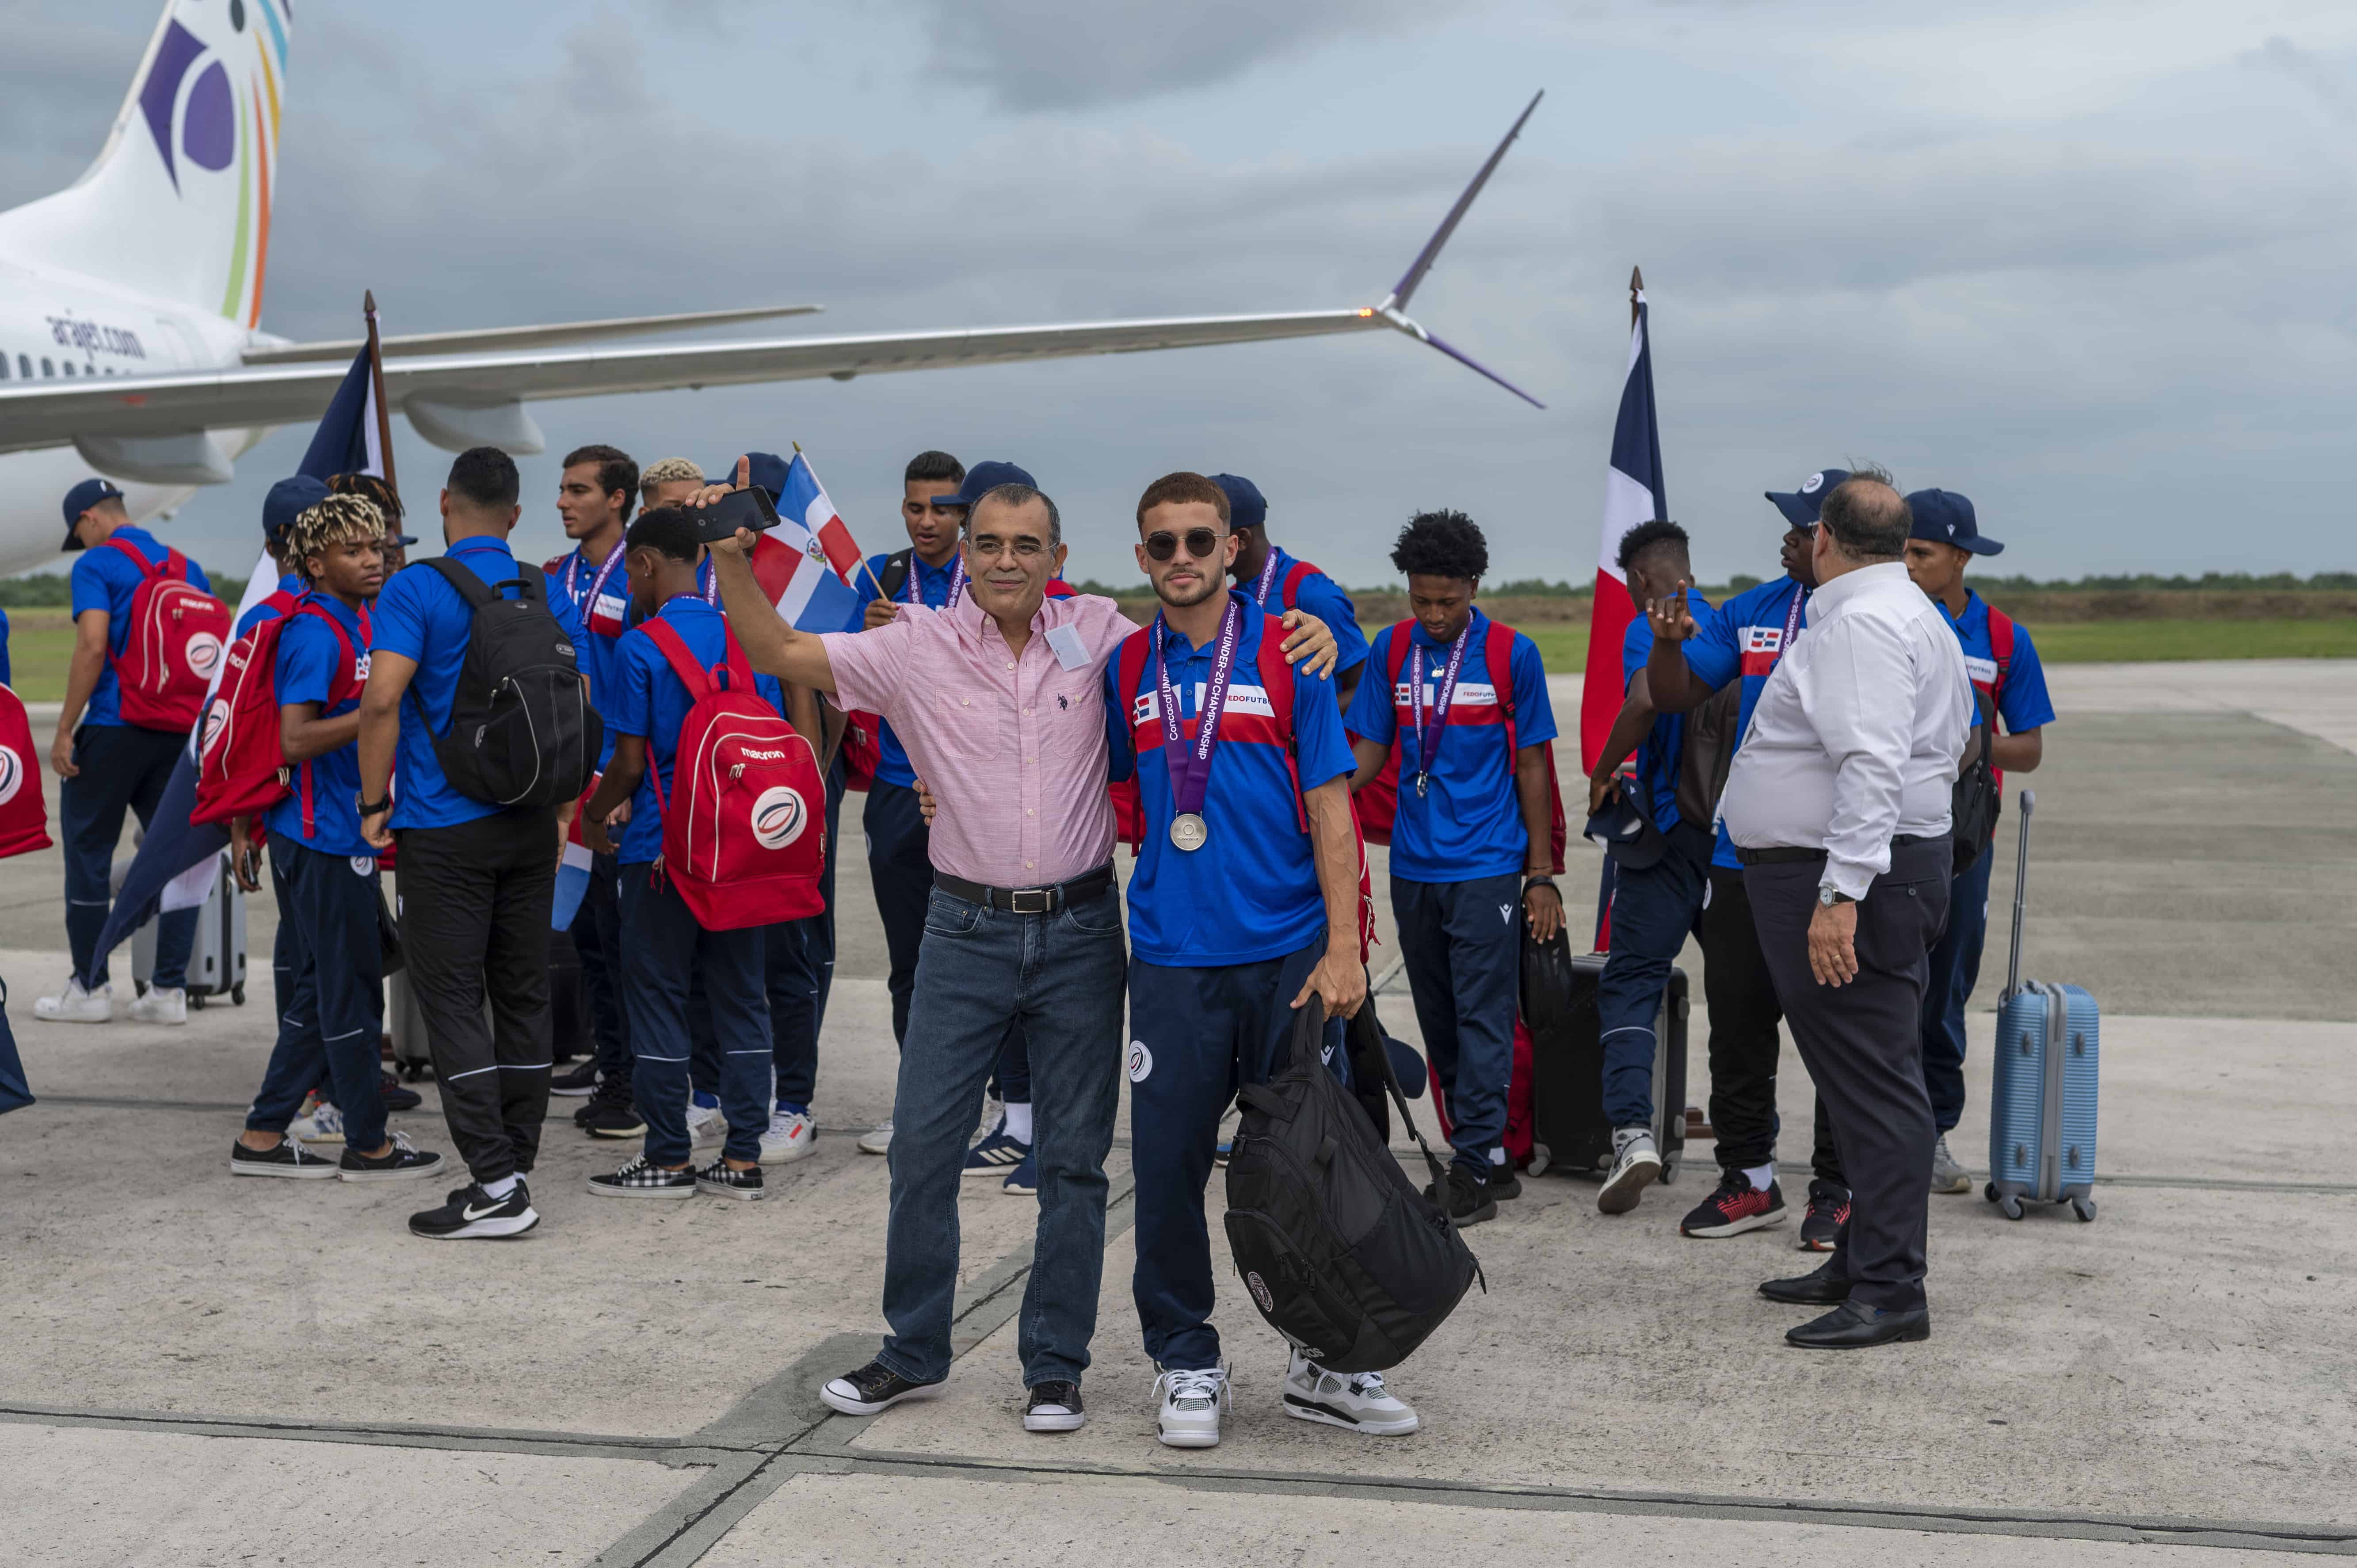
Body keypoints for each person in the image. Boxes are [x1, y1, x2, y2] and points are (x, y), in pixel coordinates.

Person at [692, 463, 1337, 1437]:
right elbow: (777, 645)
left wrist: (1325, 629)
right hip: (963, 929)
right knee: (921, 1148)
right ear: (960, 543)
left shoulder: (1101, 637)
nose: (1004, 559)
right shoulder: (909, 645)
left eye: (1025, 545)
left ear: (1057, 559)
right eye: (987, 540)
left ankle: (1055, 1368)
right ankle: (912, 1350)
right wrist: (728, 561)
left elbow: (1214, 624)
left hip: (1081, 931)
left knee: (1074, 1164)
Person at [1114, 471, 1407, 1448]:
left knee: (1309, 1171)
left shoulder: (1290, 653)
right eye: (1162, 544)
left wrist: (1342, 949)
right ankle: (1186, 1359)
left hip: (1286, 960)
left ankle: (1323, 1358)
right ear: (1141, 555)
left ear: (1232, 546)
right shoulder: (1125, 668)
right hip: (1170, 961)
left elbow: (1332, 807)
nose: (1182, 559)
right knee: (1165, 1171)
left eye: (1200, 540)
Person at [1691, 468, 1968, 1350]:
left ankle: (1890, 1288)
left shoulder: (1860, 621)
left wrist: (1838, 895)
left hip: (1844, 876)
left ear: (1821, 538)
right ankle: (1860, 1257)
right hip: (1862, 868)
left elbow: (1873, 762)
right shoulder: (1906, 609)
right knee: (1859, 1080)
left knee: (1876, 1085)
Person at [356, 447, 590, 1241]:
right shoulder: (542, 585)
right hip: (530, 819)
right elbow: (574, 700)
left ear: (446, 503)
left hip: (443, 825)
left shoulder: (416, 586)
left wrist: (373, 800)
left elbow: (383, 697)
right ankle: (513, 1165)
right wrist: (561, 812)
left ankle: (493, 1183)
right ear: (516, 514)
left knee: (452, 998)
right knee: (521, 991)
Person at [579, 506, 819, 1201]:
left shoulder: (641, 647)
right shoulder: (744, 639)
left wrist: (596, 818)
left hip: (662, 852)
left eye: (631, 567)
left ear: (649, 563)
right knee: (742, 997)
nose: (630, 579)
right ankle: (743, 1157)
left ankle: (668, 1156)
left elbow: (627, 763)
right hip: (740, 854)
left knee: (656, 999)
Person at [1641, 467, 1852, 1250]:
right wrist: (1668, 648)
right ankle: (1748, 1179)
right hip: (1740, 860)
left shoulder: (1875, 616)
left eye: (1802, 528)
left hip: (1837, 865)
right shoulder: (1753, 610)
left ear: (1833, 536)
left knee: (1836, 1031)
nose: (1788, 539)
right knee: (1736, 1027)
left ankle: (1836, 1188)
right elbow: (1673, 694)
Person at [1343, 508, 1560, 1227]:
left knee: (1483, 1016)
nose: (1434, 614)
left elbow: (1532, 764)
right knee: (1438, 1017)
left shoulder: (1511, 653)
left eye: (1448, 600)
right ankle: (1489, 1159)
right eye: (1421, 599)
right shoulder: (1390, 649)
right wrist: (1313, 792)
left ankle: (1472, 1164)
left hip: (1487, 866)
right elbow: (1370, 751)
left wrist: (1539, 872)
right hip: (1414, 867)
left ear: (1473, 585)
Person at [227, 495, 443, 1184]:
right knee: (348, 993)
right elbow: (295, 737)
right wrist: (379, 711)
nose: (374, 558)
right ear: (316, 563)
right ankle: (368, 1143)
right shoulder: (318, 631)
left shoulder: (358, 618)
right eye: (355, 550)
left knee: (326, 989)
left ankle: (263, 1135)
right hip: (319, 836)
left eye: (377, 546)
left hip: (333, 833)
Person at [851, 453, 1029, 1165]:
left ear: (965, 516)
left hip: (970, 789)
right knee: (910, 963)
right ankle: (918, 1102)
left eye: (942, 509)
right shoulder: (882, 577)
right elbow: (846, 683)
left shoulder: (991, 580)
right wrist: (873, 635)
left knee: (997, 956)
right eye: (914, 507)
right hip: (898, 790)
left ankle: (1009, 1102)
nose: (927, 521)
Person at [1899, 488, 2052, 1191]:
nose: (1906, 562)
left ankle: (1932, 1133)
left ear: (1959, 557)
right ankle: (1878, 1132)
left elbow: (2030, 749)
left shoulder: (2001, 637)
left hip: (1962, 842)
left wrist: (1973, 742)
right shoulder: (1889, 617)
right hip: (1889, 832)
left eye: (1920, 551)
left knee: (1946, 987)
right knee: (1884, 984)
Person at [36, 479, 214, 1027]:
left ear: (89, 518)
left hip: (115, 726)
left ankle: (89, 987)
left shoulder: (98, 566)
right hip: (180, 735)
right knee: (178, 858)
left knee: (88, 855)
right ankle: (168, 991)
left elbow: (92, 644)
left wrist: (66, 728)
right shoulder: (190, 568)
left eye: (79, 534)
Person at [1582, 519, 1715, 1217]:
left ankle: (1634, 1132)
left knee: (1632, 981)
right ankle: (1750, 1155)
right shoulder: (1731, 625)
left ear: (1638, 579)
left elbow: (1643, 702)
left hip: (1666, 840)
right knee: (1741, 998)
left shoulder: (1652, 621)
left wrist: (1604, 769)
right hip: (1735, 845)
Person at [542, 444, 647, 1140]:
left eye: (577, 489)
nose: (563, 501)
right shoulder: (555, 578)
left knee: (626, 944)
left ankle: (638, 1084)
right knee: (586, 940)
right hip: (565, 786)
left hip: (620, 784)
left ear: (617, 498)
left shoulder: (645, 574)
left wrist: (629, 784)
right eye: (561, 488)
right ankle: (613, 1069)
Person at [1218, 473, 1369, 711]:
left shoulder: (1312, 593)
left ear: (1241, 540)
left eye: (1205, 540)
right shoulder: (1233, 598)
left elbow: (1367, 690)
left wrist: (1295, 725)